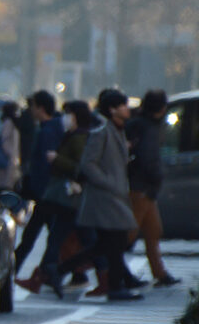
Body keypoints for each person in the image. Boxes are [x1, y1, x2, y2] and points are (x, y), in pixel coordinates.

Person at [18, 101, 94, 297]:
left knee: (85, 240)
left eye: (69, 114)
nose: (65, 118)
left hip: (66, 195)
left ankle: (51, 274)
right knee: (58, 238)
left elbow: (81, 168)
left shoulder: (79, 138)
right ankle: (46, 275)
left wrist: (56, 159)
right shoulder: (73, 135)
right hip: (64, 197)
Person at [77, 89, 143, 301]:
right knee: (114, 241)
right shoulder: (102, 131)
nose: (127, 109)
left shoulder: (118, 130)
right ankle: (115, 287)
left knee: (108, 244)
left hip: (114, 195)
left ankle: (54, 270)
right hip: (105, 197)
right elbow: (88, 163)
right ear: (113, 109)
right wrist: (108, 182)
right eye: (123, 105)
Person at [126, 89, 181, 287]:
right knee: (129, 234)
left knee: (153, 231)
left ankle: (160, 273)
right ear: (162, 107)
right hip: (142, 186)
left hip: (143, 186)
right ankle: (112, 270)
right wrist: (156, 177)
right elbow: (148, 158)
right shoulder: (148, 128)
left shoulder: (139, 124)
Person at [13, 90, 64, 273]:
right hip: (46, 193)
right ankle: (49, 270)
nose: (30, 110)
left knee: (44, 236)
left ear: (41, 108)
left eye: (33, 106)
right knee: (46, 235)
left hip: (46, 193)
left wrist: (37, 189)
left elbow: (45, 165)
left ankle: (49, 270)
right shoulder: (48, 128)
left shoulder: (48, 130)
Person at [0, 101, 21, 191]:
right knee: (3, 185)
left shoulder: (12, 123)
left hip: (10, 160)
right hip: (7, 161)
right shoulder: (9, 123)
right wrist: (12, 155)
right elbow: (5, 142)